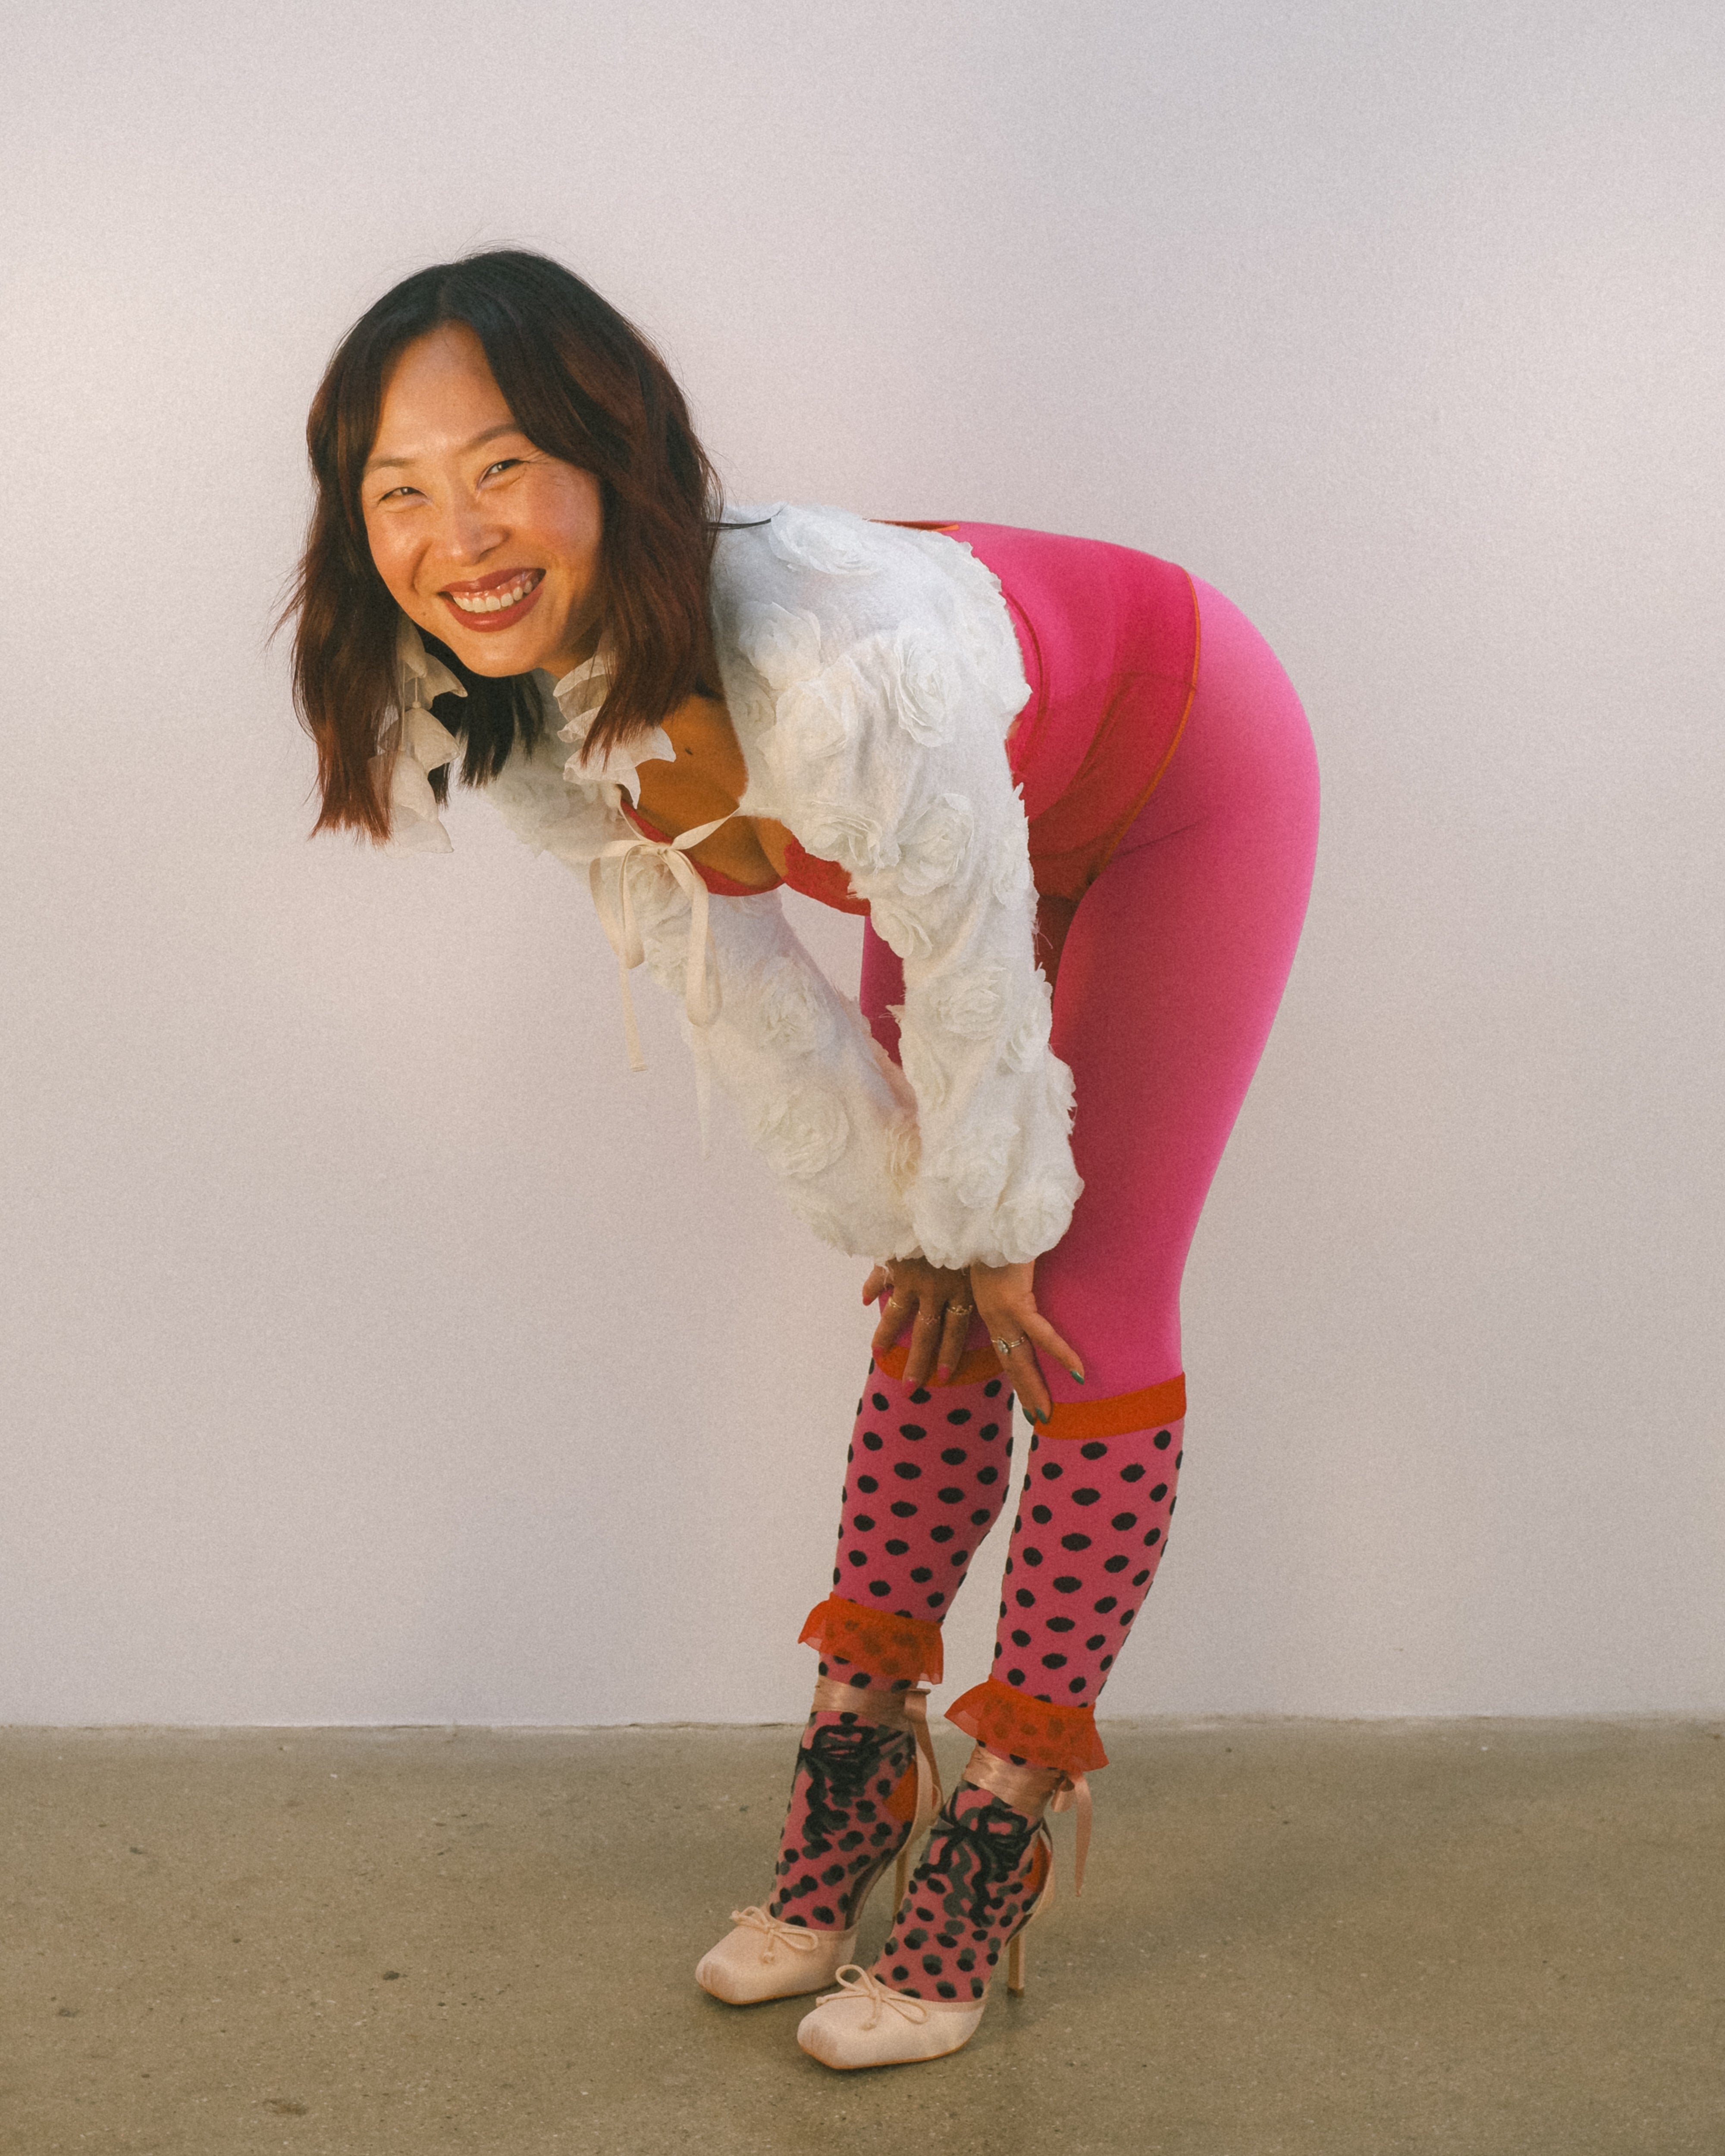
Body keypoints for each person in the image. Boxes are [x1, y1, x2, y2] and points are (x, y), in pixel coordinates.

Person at [288, 249, 1320, 2070]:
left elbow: (967, 936)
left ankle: (993, 1832)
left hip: (1174, 779)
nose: (458, 536)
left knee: (1069, 1299)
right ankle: (852, 1782)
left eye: (502, 466)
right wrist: (906, 1204)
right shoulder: (505, 703)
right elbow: (734, 974)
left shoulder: (839, 661)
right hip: (956, 847)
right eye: (401, 491)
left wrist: (990, 1202)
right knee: (928, 1300)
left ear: (616, 452)